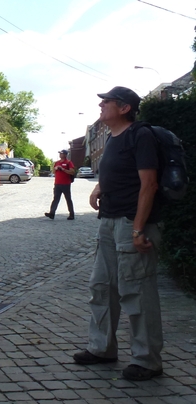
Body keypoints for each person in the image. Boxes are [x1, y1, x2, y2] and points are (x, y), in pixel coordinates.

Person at [73, 86, 163, 381]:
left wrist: (138, 228)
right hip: (109, 222)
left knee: (136, 291)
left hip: (130, 223)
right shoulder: (112, 138)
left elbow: (148, 184)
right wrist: (99, 187)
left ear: (124, 108)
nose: (101, 107)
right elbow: (116, 173)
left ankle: (147, 360)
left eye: (107, 102)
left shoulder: (141, 135)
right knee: (101, 287)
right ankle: (102, 348)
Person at [45, 149, 75, 220]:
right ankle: (52, 213)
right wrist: (55, 168)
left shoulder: (68, 162)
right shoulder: (57, 162)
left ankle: (71, 214)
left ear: (65, 155)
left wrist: (63, 169)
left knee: (68, 199)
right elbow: (53, 172)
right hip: (57, 184)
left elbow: (72, 172)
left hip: (66, 184)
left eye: (61, 153)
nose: (60, 155)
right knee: (55, 199)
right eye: (59, 153)